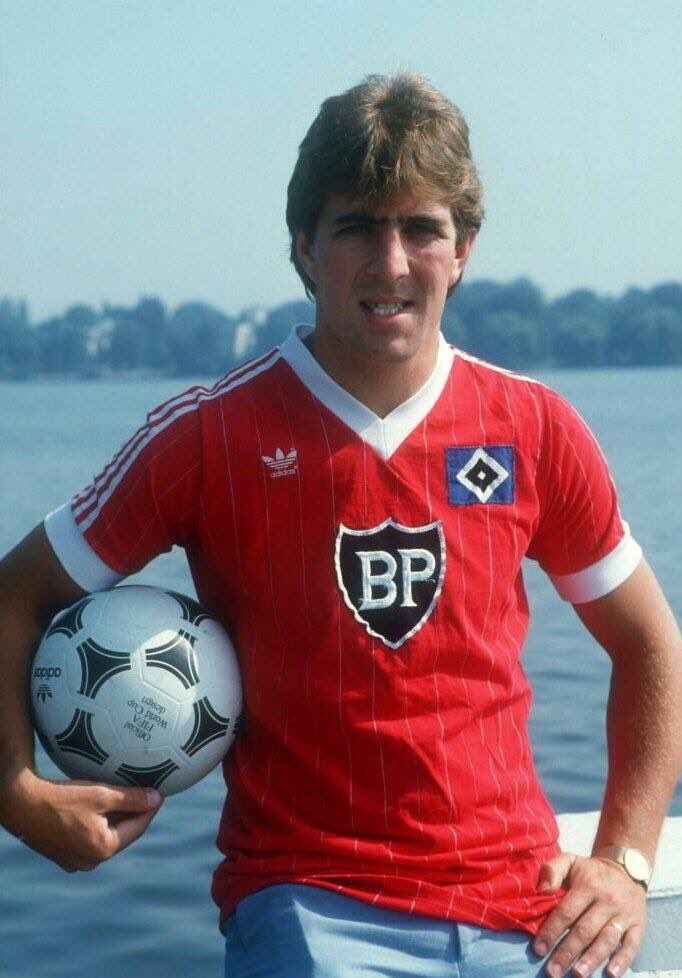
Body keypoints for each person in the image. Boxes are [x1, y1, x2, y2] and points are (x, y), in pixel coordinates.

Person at [0, 73, 680, 978]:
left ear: (463, 249)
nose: (391, 263)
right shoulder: (210, 436)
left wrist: (625, 860)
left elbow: (650, 644)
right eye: (358, 226)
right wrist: (16, 793)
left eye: (421, 229)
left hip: (525, 911)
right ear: (305, 246)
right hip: (313, 907)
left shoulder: (535, 427)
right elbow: (14, 597)